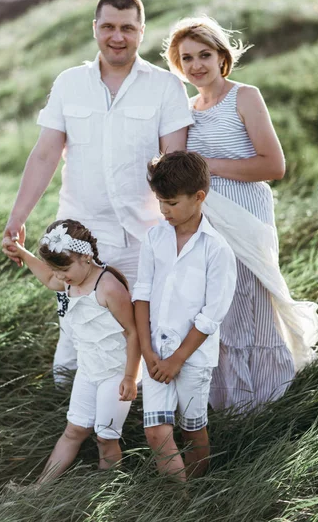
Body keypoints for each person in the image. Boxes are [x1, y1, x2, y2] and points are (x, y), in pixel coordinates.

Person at [2, 0, 193, 382]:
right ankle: (72, 415)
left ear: (142, 31)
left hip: (144, 236)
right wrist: (17, 217)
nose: (117, 36)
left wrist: (178, 234)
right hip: (76, 238)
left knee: (144, 336)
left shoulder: (167, 87)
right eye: (108, 27)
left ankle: (135, 419)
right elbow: (44, 156)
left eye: (127, 28)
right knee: (75, 336)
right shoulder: (69, 83)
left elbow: (175, 167)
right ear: (95, 29)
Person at [162, 16, 318, 412]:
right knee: (220, 306)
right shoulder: (185, 110)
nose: (197, 65)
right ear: (177, 65)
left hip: (246, 214)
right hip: (206, 219)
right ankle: (229, 404)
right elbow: (173, 167)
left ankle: (267, 400)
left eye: (205, 54)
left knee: (252, 300)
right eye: (187, 58)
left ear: (221, 57)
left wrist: (207, 165)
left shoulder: (244, 96)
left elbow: (273, 166)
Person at [5, 219, 140, 483]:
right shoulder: (68, 280)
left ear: (85, 256)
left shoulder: (108, 286)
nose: (59, 276)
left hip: (115, 372)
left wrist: (129, 377)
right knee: (74, 430)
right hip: (88, 368)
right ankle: (39, 489)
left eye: (63, 269)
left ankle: (107, 494)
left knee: (105, 437)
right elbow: (46, 277)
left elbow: (132, 333)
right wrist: (21, 251)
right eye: (56, 271)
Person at [132, 151, 237, 481]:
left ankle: (195, 494)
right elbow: (142, 294)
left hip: (191, 358)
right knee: (155, 433)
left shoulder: (216, 249)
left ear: (199, 197)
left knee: (193, 432)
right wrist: (147, 352)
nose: (164, 211)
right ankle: (179, 500)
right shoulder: (154, 238)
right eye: (160, 202)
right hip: (154, 355)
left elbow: (211, 315)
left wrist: (177, 359)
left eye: (172, 203)